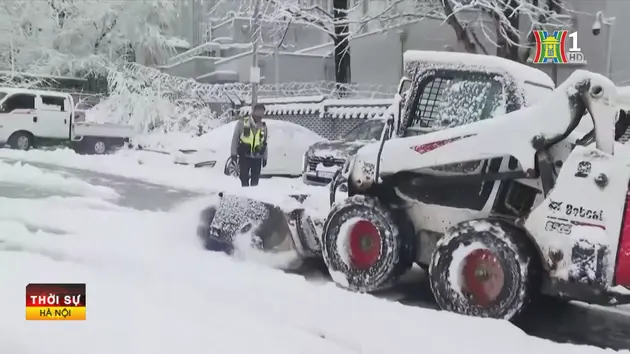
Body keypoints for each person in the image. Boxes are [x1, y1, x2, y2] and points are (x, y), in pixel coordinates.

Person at [230, 103, 268, 187]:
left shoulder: (263, 126)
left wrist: (265, 157)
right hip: (245, 156)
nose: (260, 116)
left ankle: (253, 197)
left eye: (262, 113)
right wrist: (233, 154)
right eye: (258, 113)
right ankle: (245, 196)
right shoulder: (243, 123)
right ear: (253, 112)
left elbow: (264, 142)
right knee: (244, 180)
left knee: (255, 182)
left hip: (257, 157)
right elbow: (235, 138)